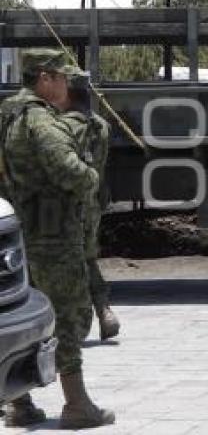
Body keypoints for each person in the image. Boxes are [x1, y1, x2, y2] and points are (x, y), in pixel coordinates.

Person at [0, 49, 115, 428]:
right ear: (45, 78)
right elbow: (70, 171)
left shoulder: (7, 114)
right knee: (67, 316)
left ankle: (19, 403)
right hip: (53, 235)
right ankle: (77, 404)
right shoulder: (39, 120)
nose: (67, 84)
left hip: (20, 231)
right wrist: (91, 178)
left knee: (20, 314)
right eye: (62, 77)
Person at [60, 73, 120, 341]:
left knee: (63, 260)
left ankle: (73, 319)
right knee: (88, 257)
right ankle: (104, 310)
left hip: (68, 203)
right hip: (92, 202)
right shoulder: (101, 126)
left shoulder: (63, 127)